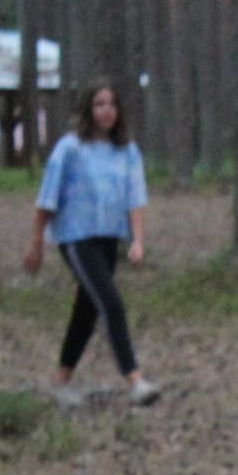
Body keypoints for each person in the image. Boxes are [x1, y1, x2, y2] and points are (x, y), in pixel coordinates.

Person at [24, 82, 161, 405]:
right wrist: (36, 243)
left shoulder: (127, 150)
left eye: (112, 104)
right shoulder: (70, 148)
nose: (106, 110)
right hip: (76, 237)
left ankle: (60, 380)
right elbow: (47, 198)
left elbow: (135, 198)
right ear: (88, 109)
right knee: (110, 302)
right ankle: (135, 379)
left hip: (108, 238)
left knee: (86, 309)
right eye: (99, 104)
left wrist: (137, 240)